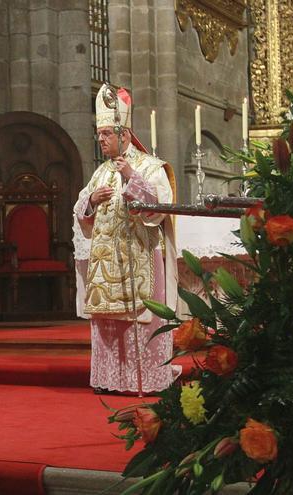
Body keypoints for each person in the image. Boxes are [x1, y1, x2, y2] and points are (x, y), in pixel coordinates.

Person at [74, 84, 177, 394]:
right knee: (109, 322)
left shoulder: (151, 167)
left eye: (106, 133)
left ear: (124, 134)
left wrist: (132, 178)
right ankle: (110, 380)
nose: (100, 139)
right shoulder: (100, 172)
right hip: (107, 263)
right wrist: (92, 199)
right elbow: (81, 208)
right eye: (99, 133)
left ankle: (143, 381)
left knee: (140, 320)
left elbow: (159, 209)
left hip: (140, 256)